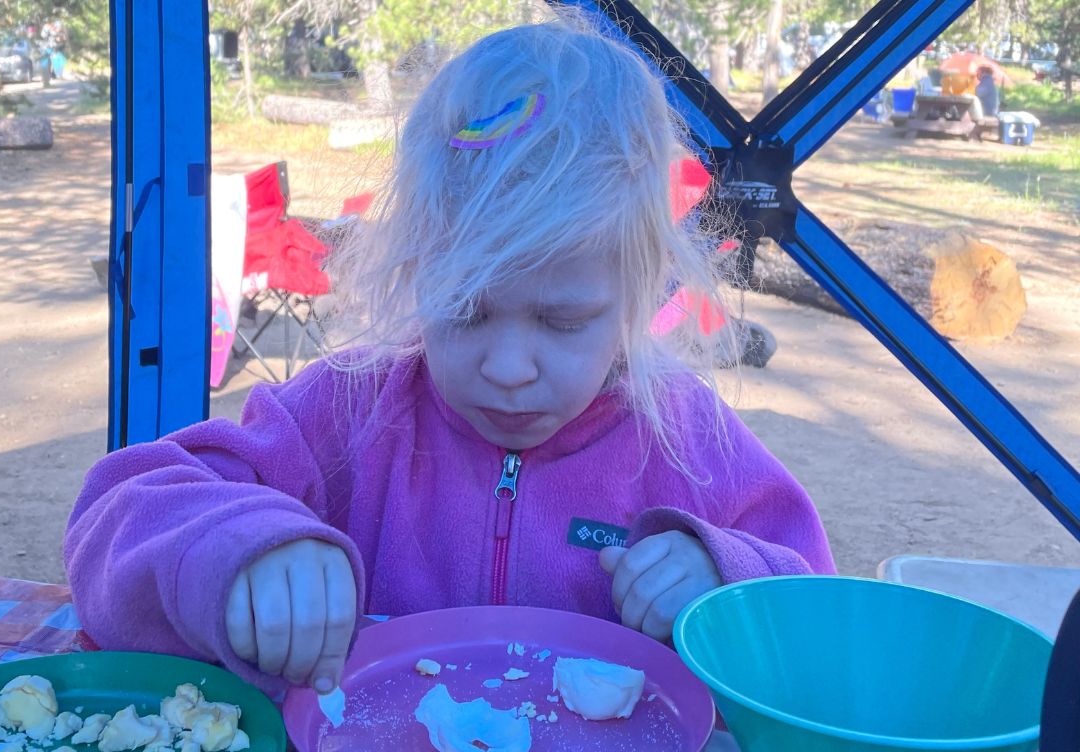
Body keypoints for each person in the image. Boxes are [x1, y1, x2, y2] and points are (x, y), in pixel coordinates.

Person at [64, 14, 835, 700]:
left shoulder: (686, 437)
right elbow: (115, 514)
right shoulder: (353, 405)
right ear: (416, 273)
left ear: (638, 298)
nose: (507, 367)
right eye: (463, 308)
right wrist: (238, 550)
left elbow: (818, 611)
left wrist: (722, 580)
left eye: (564, 322)